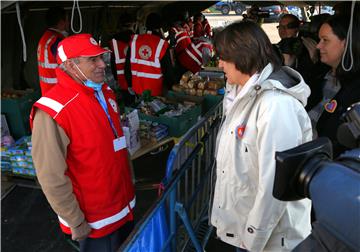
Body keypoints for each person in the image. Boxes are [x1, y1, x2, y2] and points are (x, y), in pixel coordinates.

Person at [210, 21, 312, 251]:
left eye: (224, 57)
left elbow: (274, 184)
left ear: (242, 56)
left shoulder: (276, 106)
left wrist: (252, 240)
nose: (219, 64)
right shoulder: (241, 93)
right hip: (244, 230)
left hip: (270, 240)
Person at [31, 34, 135, 252]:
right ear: (70, 65)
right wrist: (75, 220)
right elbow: (51, 175)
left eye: (101, 58)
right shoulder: (53, 110)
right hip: (95, 221)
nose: (101, 65)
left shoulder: (105, 93)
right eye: (92, 60)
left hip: (123, 206)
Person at [307, 14, 360, 157]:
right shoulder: (319, 74)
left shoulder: (355, 91)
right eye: (319, 40)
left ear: (346, 43)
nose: (318, 46)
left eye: (325, 40)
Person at [126, 13, 177, 96]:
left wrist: (129, 84)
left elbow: (127, 65)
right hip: (155, 91)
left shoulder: (135, 41)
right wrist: (172, 87)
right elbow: (168, 71)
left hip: (137, 89)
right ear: (160, 26)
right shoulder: (161, 44)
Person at [37, 7, 69, 95]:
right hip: (58, 91)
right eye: (67, 20)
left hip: (48, 90)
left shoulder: (45, 38)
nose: (68, 23)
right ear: (62, 23)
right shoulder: (57, 41)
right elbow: (69, 67)